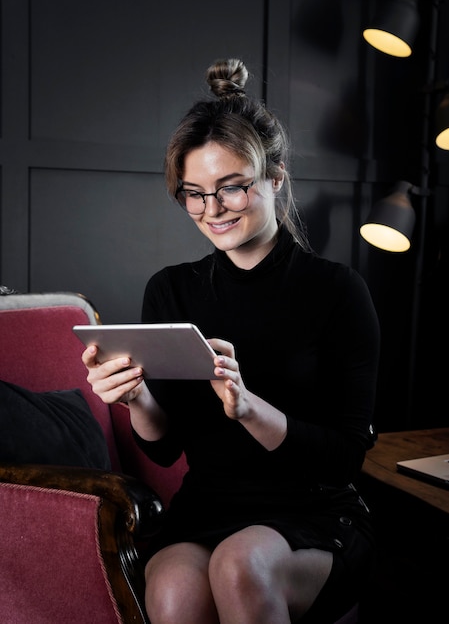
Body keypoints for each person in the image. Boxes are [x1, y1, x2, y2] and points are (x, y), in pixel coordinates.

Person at [82, 58, 380, 624]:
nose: (211, 210)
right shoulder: (171, 289)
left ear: (276, 178)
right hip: (209, 505)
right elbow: (164, 447)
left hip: (314, 512)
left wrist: (248, 408)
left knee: (241, 566)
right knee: (170, 587)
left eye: (231, 188)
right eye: (193, 193)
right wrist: (133, 398)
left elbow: (343, 459)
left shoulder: (339, 291)